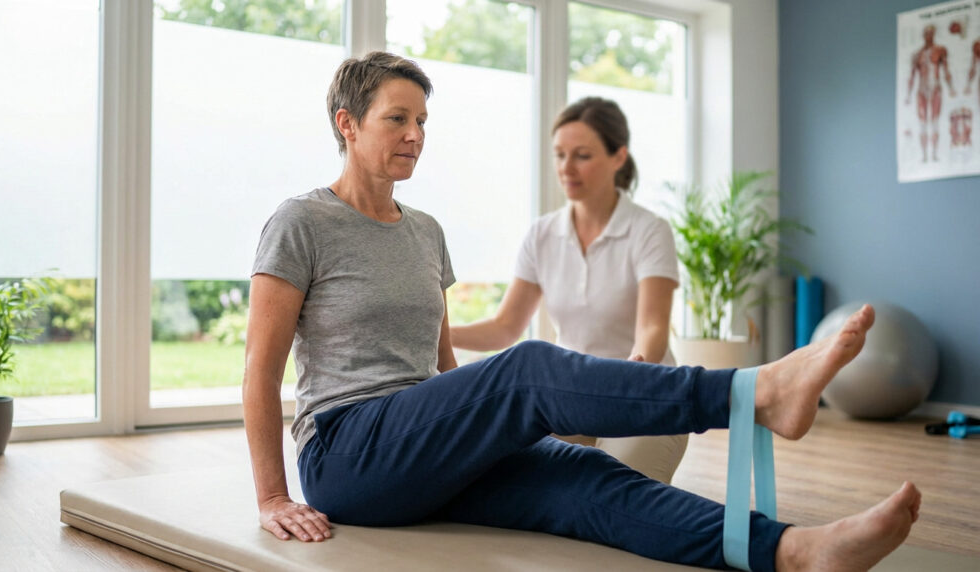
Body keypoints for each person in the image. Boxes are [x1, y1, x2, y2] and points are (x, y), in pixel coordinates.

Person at [243, 51, 921, 572]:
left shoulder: (425, 231)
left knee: (584, 477)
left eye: (422, 120)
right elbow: (259, 369)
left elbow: (440, 366)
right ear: (347, 123)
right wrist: (274, 496)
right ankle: (755, 393)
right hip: (348, 454)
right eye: (398, 118)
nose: (416, 134)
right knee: (529, 369)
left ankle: (792, 552)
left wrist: (481, 428)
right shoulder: (302, 222)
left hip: (423, 451)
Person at [449, 96, 687, 484]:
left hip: (645, 395)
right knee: (520, 480)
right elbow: (506, 327)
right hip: (573, 395)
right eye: (560, 155)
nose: (566, 168)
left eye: (582, 155)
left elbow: (654, 327)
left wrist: (635, 370)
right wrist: (441, 333)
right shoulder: (542, 234)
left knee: (615, 493)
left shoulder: (649, 230)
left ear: (618, 157)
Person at [905, 24, 956, 162]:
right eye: (927, 33)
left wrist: (951, 88)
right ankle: (924, 156)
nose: (929, 36)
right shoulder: (917, 55)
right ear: (923, 35)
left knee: (934, 122)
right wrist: (908, 95)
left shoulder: (940, 51)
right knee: (922, 123)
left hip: (935, 88)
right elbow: (912, 76)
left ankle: (934, 154)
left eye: (931, 33)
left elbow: (946, 70)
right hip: (921, 89)